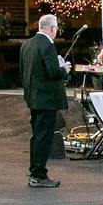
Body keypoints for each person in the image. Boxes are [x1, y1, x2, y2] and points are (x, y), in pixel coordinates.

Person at [20, 14, 71, 188]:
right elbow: (53, 72)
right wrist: (64, 69)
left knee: (37, 136)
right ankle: (38, 174)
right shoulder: (48, 45)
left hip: (33, 96)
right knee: (44, 137)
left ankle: (35, 170)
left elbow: (24, 71)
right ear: (52, 29)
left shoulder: (27, 44)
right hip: (47, 98)